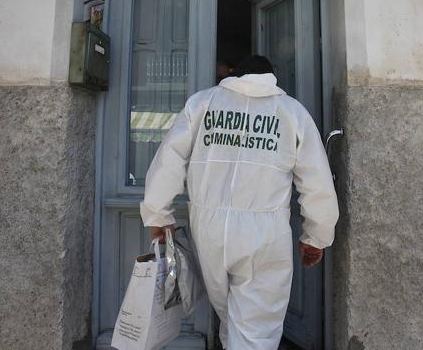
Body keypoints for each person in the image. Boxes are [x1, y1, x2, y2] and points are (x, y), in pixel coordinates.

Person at [140, 55, 339, 350]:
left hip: (208, 229)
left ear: (235, 74)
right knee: (255, 330)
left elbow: (168, 160)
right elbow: (316, 180)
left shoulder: (202, 104)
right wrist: (316, 237)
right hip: (264, 234)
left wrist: (159, 216)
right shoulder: (291, 112)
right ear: (272, 78)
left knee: (230, 318)